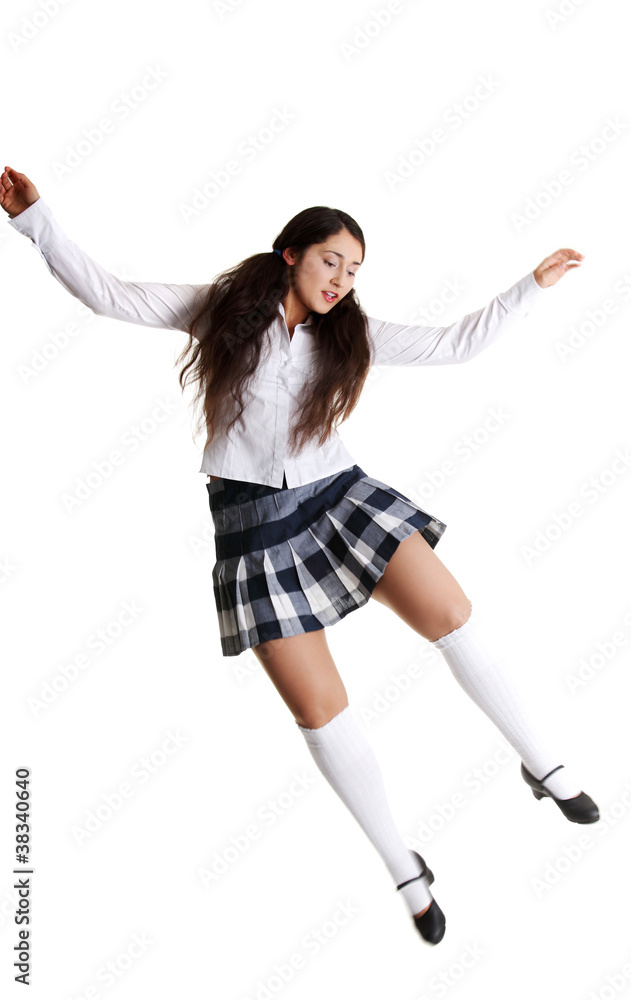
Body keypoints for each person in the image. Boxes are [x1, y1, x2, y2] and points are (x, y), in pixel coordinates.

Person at [2, 165, 599, 946]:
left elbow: (453, 345)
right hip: (251, 527)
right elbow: (109, 294)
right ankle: (404, 867)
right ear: (290, 254)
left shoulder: (348, 334)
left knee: (452, 612)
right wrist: (35, 217)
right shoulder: (220, 311)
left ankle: (543, 764)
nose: (341, 280)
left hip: (337, 497)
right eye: (330, 261)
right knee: (318, 709)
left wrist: (531, 285)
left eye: (353, 270)